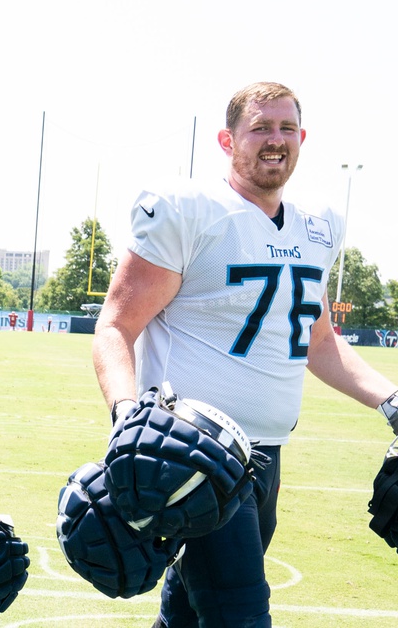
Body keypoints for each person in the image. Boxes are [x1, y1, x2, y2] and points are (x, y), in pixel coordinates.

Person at [92, 82, 398, 627]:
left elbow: (320, 342)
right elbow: (116, 325)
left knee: (188, 615)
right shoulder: (189, 211)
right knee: (240, 614)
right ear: (227, 140)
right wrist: (127, 414)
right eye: (260, 128)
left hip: (267, 456)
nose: (274, 139)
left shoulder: (319, 225)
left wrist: (391, 400)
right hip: (195, 457)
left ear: (302, 138)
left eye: (285, 128)